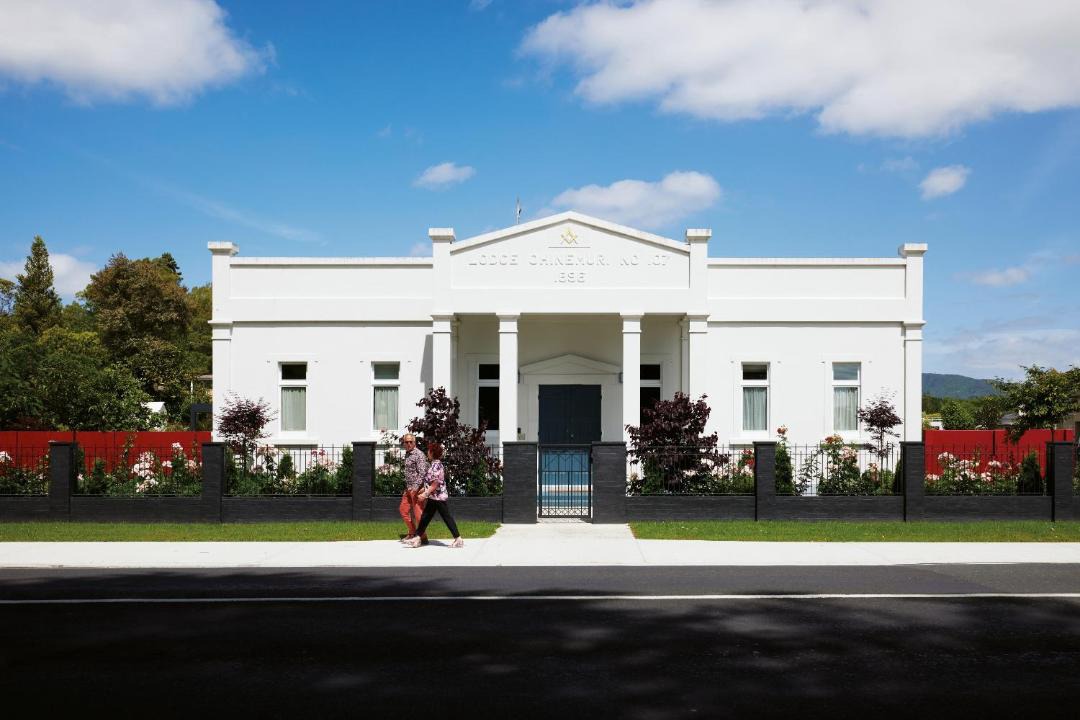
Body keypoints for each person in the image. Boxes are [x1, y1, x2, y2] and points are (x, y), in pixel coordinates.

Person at [405, 442, 464, 548]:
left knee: (446, 517)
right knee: (425, 518)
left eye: (428, 451)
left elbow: (436, 483)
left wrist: (424, 494)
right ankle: (417, 538)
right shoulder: (434, 464)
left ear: (432, 453)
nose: (427, 452)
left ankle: (458, 539)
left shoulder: (436, 465)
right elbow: (430, 482)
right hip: (433, 497)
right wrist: (422, 490)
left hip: (438, 497)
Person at [399, 433, 429, 544]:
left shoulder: (419, 454)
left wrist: (416, 487)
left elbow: (422, 473)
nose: (408, 444)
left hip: (416, 489)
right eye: (406, 442)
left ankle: (422, 536)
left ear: (414, 443)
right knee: (403, 510)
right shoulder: (407, 454)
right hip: (408, 488)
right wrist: (408, 488)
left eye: (410, 441)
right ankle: (412, 532)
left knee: (418, 514)